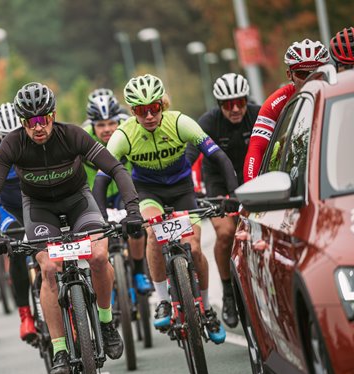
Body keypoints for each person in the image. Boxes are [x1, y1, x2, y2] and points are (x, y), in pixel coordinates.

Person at [0, 82, 143, 374]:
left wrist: (133, 210)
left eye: (43, 119)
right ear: (22, 122)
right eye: (30, 121)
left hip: (78, 201)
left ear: (53, 116)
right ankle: (60, 349)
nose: (37, 127)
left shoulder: (73, 135)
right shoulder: (12, 144)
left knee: (99, 255)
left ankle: (106, 322)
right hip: (39, 208)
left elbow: (116, 169)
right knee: (48, 268)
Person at [94, 74, 239, 344]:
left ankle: (207, 309)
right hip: (148, 192)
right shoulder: (124, 134)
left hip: (182, 190)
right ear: (133, 111)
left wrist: (233, 194)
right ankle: (162, 301)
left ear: (163, 105)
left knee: (194, 248)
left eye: (154, 108)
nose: (149, 116)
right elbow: (102, 178)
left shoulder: (179, 122)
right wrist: (100, 218)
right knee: (153, 234)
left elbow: (218, 155)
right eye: (141, 110)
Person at [196, 73, 260, 328]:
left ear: (246, 100)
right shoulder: (208, 122)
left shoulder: (257, 115)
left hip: (252, 179)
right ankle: (228, 292)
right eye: (227, 104)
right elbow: (190, 154)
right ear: (219, 105)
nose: (235, 109)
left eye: (240, 102)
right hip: (219, 183)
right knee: (225, 233)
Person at [0, 102, 36, 342]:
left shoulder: (34, 136)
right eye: (4, 137)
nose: (11, 140)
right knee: (17, 250)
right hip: (8, 207)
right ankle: (25, 314)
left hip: (35, 199)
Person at [83, 89, 150, 294]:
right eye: (101, 125)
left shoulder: (128, 132)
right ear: (92, 125)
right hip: (95, 194)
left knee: (136, 226)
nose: (107, 129)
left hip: (123, 191)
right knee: (99, 238)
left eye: (111, 123)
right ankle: (105, 284)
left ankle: (139, 272)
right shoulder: (83, 138)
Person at [243, 39, 330, 183]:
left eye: (316, 72)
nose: (310, 79)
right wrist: (251, 189)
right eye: (302, 74)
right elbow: (256, 149)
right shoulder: (278, 101)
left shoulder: (338, 90)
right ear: (289, 75)